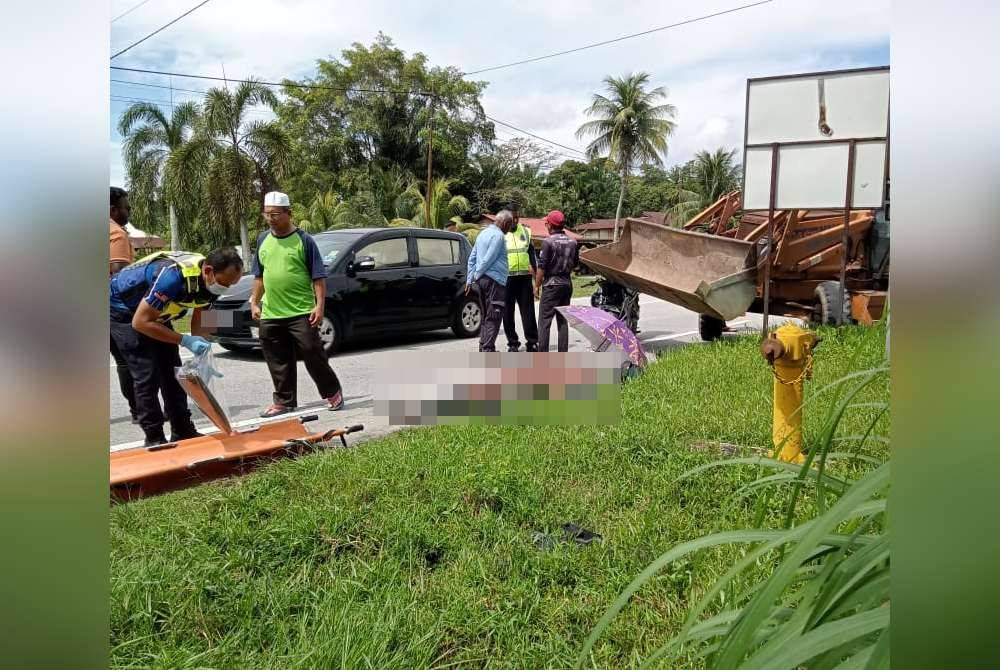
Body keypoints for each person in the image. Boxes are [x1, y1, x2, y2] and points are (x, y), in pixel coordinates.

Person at [110, 247, 244, 445]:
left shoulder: (211, 283)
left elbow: (200, 319)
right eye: (225, 283)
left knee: (173, 371)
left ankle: (182, 429)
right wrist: (184, 340)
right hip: (123, 310)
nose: (226, 288)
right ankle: (154, 436)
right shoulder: (172, 277)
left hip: (155, 313)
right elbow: (140, 322)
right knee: (147, 374)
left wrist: (203, 355)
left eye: (232, 285)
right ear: (208, 271)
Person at [251, 191, 345, 417]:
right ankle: (285, 401)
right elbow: (259, 276)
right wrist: (254, 301)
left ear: (288, 213)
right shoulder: (263, 240)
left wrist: (319, 306)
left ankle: (332, 391)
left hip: (301, 310)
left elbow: (318, 277)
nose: (271, 218)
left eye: (275, 214)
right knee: (277, 358)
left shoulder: (304, 240)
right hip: (272, 311)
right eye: (267, 214)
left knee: (313, 353)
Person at [109, 187, 138, 424]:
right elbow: (120, 275)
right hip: (115, 308)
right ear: (112, 210)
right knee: (128, 361)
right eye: (126, 208)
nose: (128, 211)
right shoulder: (116, 233)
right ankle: (139, 410)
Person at [466, 209, 513, 352]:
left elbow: (472, 258)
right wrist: (476, 274)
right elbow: (488, 259)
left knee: (487, 315)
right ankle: (488, 350)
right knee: (494, 316)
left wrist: (470, 279)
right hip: (494, 281)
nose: (510, 228)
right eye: (510, 225)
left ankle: (485, 347)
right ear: (505, 223)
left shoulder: (483, 234)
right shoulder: (498, 236)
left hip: (482, 281)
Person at [535, 210, 579, 352]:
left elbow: (541, 267)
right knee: (562, 321)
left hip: (551, 285)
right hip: (567, 284)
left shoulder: (548, 242)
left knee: (544, 322)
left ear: (550, 225)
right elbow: (575, 263)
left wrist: (536, 286)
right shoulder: (573, 242)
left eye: (546, 222)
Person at [501, 203, 539, 352]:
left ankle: (532, 341)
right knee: (507, 312)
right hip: (506, 278)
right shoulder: (500, 233)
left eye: (517, 217)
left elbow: (532, 257)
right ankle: (513, 343)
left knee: (528, 312)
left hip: (524, 278)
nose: (515, 220)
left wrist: (536, 281)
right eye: (512, 218)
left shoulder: (527, 231)